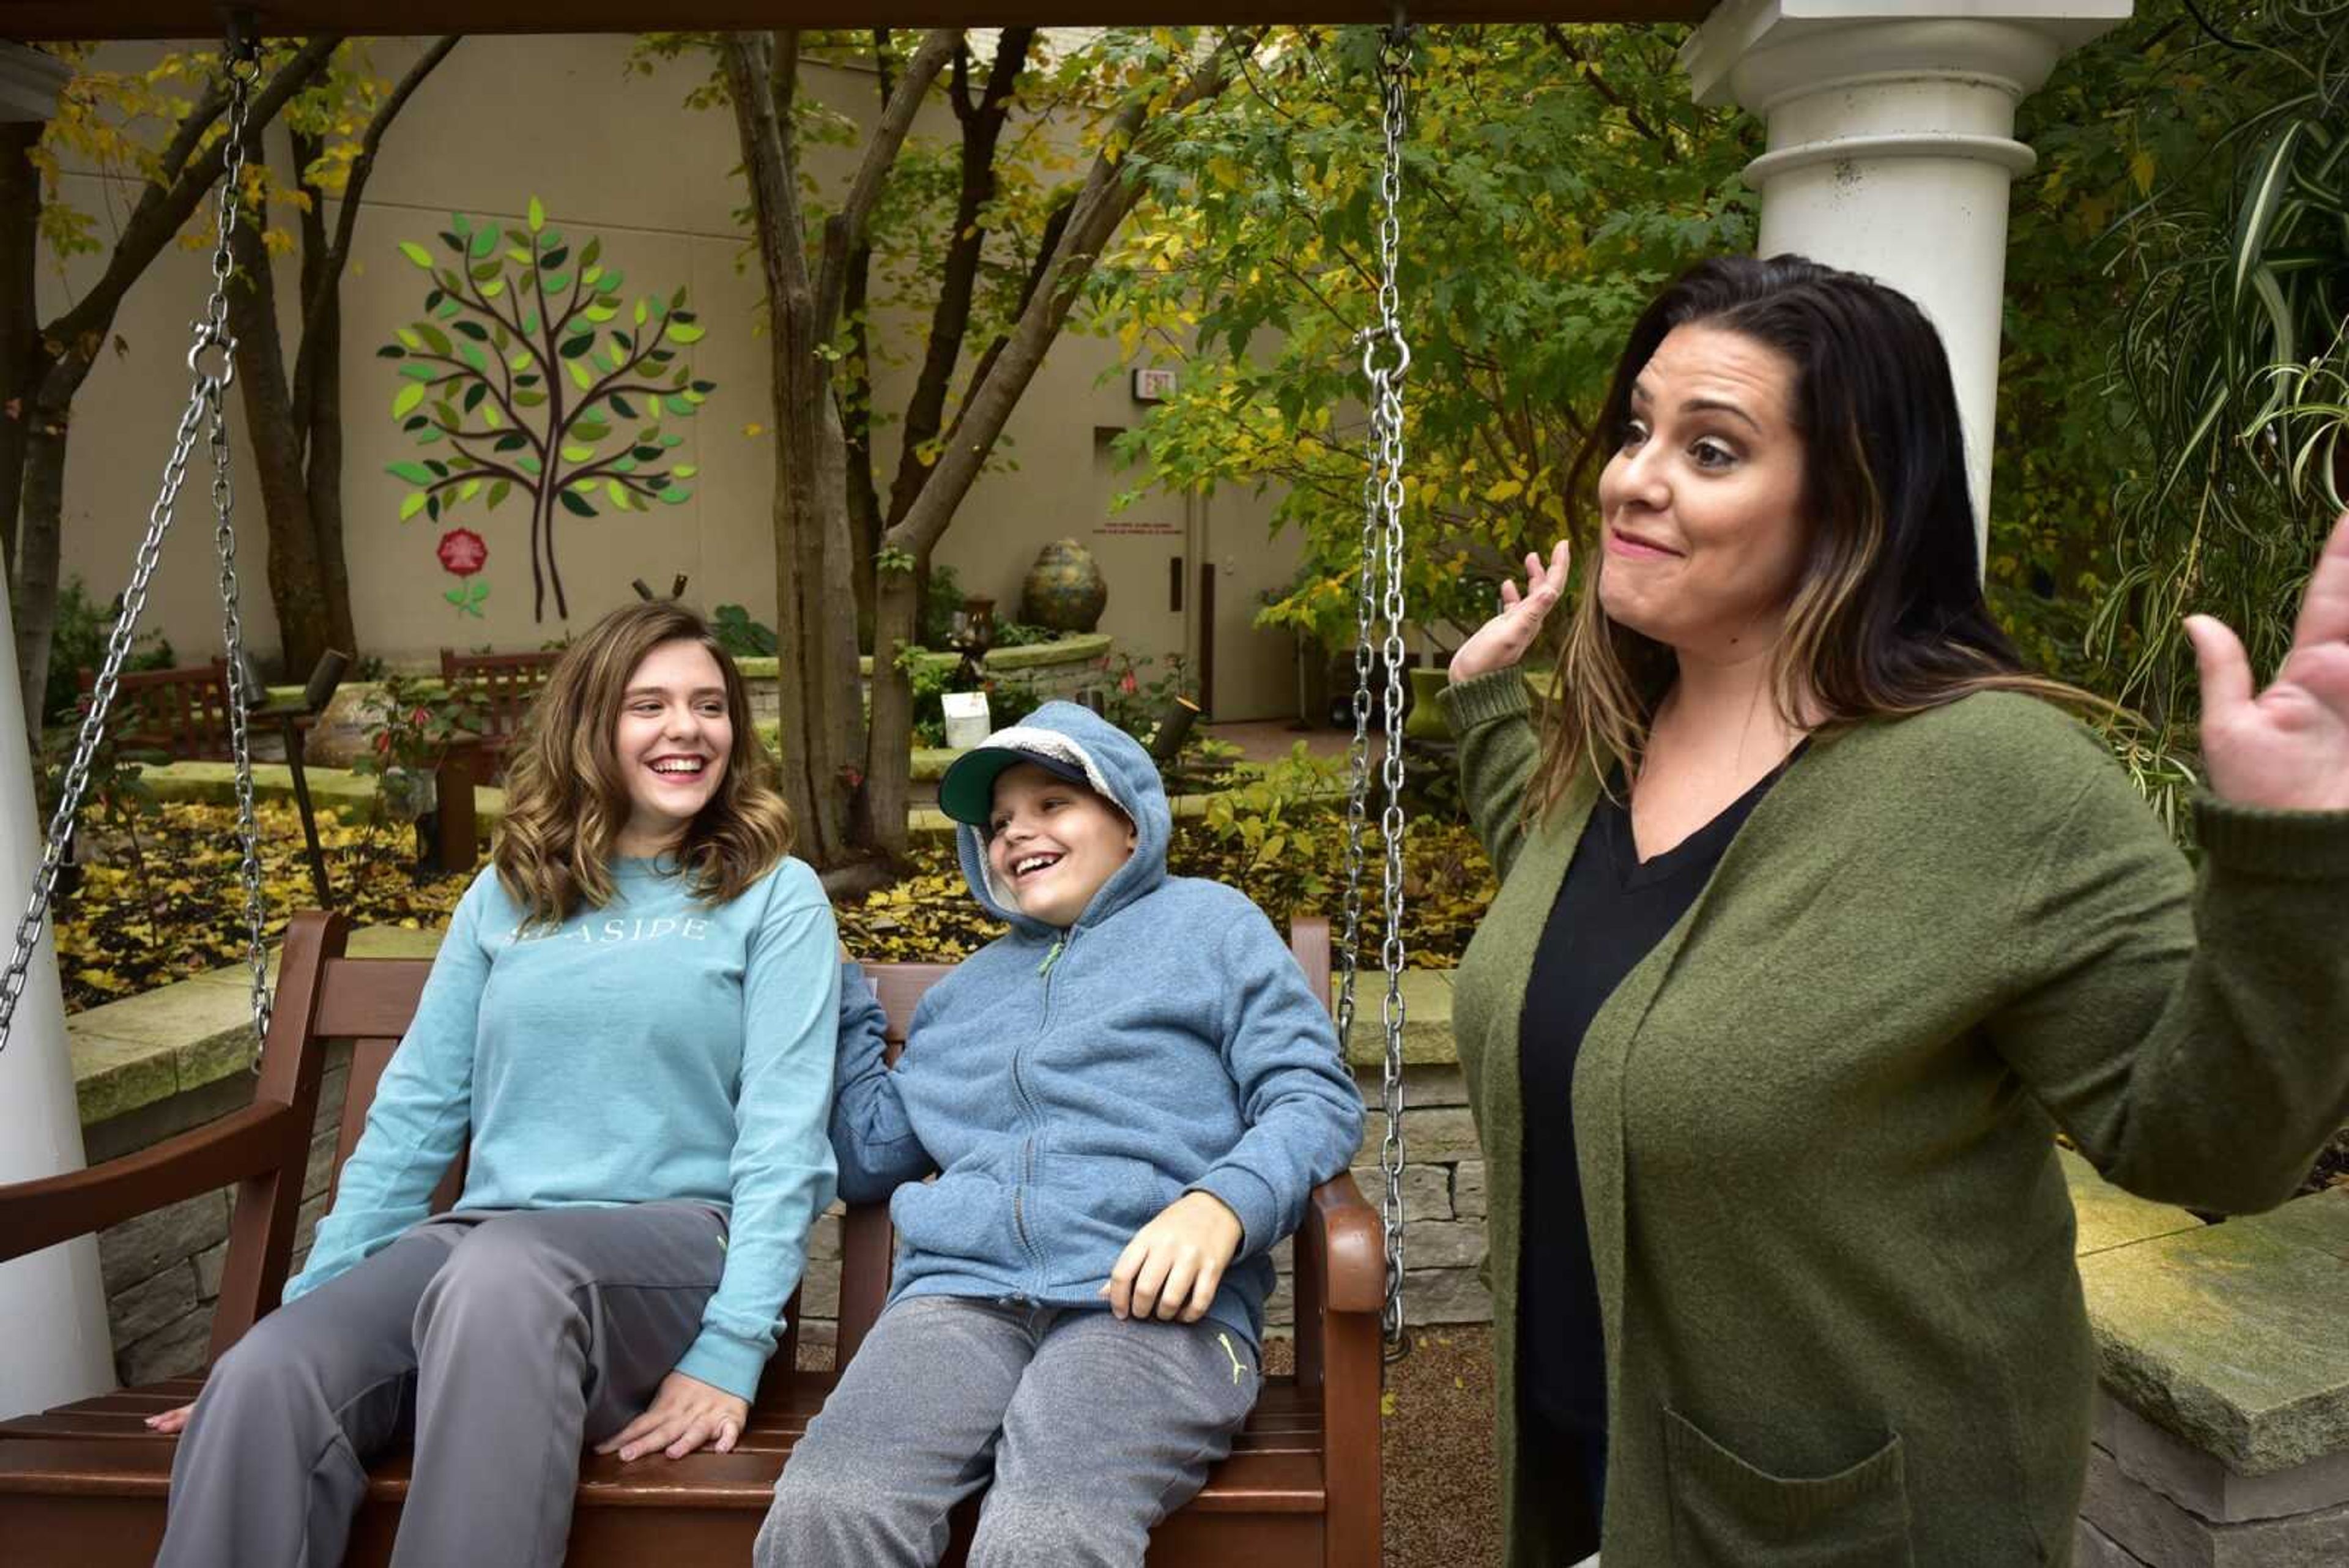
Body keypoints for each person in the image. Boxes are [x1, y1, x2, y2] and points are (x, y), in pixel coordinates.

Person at [1438, 253, 2349, 1567]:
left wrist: (2300, 866)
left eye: (1712, 449)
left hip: (1858, 1527)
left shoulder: (1994, 783)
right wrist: (1484, 703)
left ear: (1849, 502)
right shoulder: (1613, 743)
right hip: (1595, 1481)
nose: (1636, 475)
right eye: (1640, 429)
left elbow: (2209, 1146)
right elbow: (1574, 920)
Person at [148, 601, 842, 1568]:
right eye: (650, 705)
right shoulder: (509, 893)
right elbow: (416, 1115)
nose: (688, 729)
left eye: (710, 706)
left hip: (673, 1249)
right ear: (589, 729)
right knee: (269, 1376)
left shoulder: (775, 894)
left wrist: (731, 1351)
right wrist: (309, 1314)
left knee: (506, 1271)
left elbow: (784, 1140)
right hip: (484, 1254)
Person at [755, 700, 1364, 1568]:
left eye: (1052, 804)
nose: (1016, 833)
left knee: (1046, 1529)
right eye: (999, 821)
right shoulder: (962, 998)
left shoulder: (1212, 928)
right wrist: (838, 989)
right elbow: (869, 1157)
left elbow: (1313, 1095)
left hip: (1151, 1310)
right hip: (960, 1302)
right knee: (829, 1505)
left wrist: (1220, 1204)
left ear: (1129, 821)